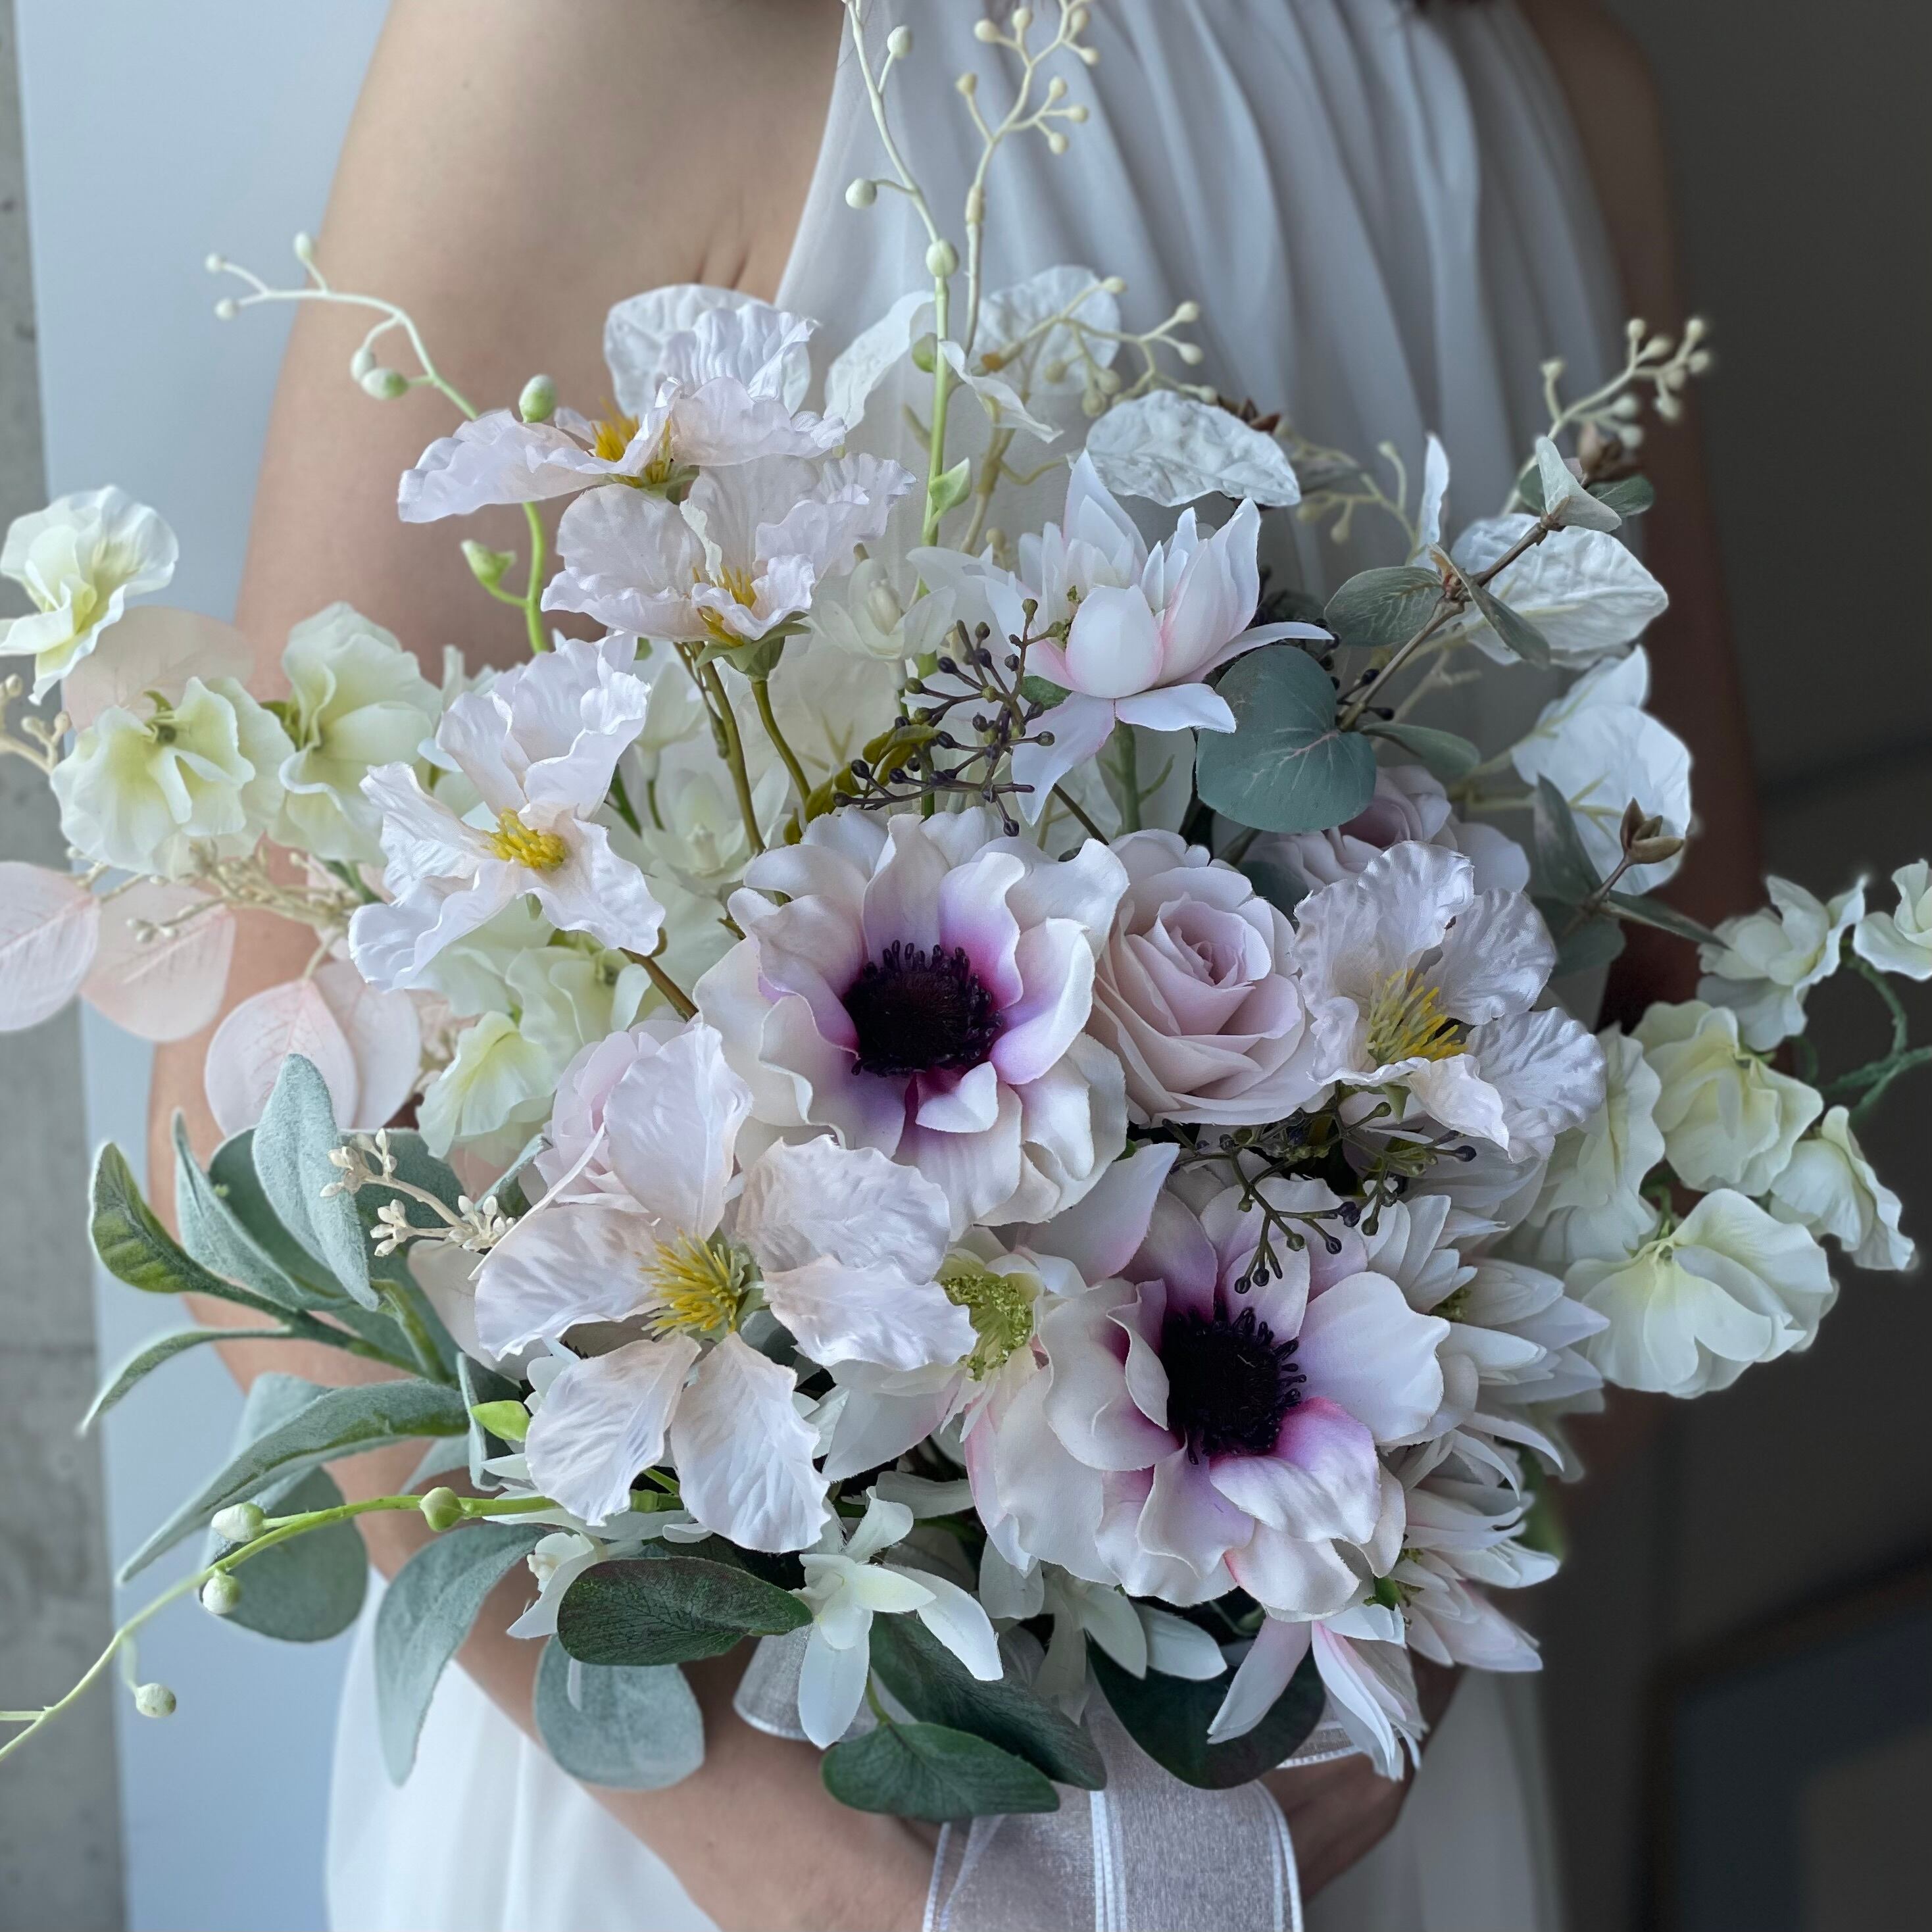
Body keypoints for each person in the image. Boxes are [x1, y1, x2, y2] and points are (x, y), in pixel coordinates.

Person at [151, 3, 1762, 1927]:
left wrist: (1401, 1594)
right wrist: (813, 1871)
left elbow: (1682, 1035)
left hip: (1321, 1755)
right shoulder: (601, 35)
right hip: (740, 1791)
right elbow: (264, 1106)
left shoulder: (1558, 88)